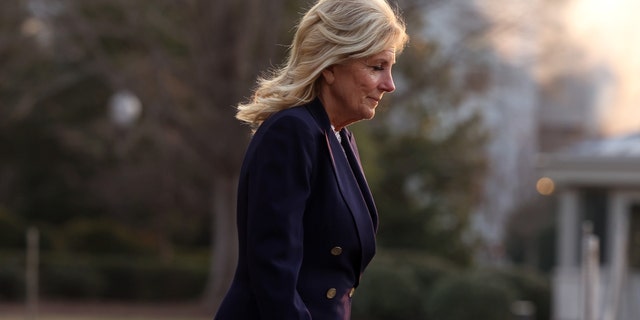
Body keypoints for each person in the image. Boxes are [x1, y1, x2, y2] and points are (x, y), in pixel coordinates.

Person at [214, 0, 408, 319]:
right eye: (376, 67)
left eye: (390, 68)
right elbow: (273, 275)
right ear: (330, 65)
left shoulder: (338, 136)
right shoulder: (291, 132)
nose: (389, 85)